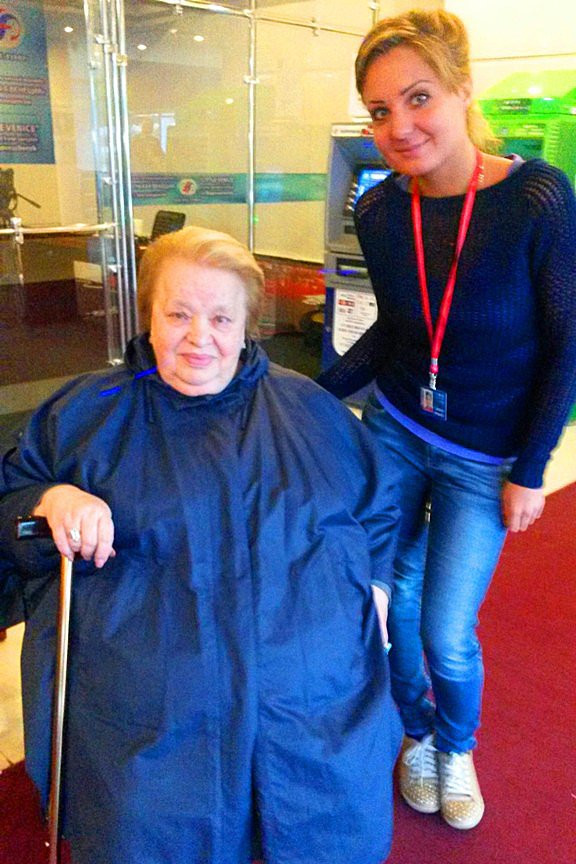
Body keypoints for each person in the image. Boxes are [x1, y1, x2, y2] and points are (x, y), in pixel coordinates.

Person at [0, 226, 402, 864]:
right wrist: (51, 501)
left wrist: (376, 589)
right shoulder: (85, 414)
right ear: (149, 316)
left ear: (247, 327)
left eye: (220, 318)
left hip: (302, 694)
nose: (198, 338)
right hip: (151, 704)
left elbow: (380, 507)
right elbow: (12, 509)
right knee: (152, 829)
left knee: (319, 822)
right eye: (178, 314)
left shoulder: (309, 409)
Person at [317, 9, 576, 832]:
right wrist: (310, 396)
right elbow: (396, 332)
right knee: (383, 602)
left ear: (463, 90)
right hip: (396, 427)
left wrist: (531, 468)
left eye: (418, 97)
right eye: (379, 110)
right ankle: (418, 733)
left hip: (484, 455)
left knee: (445, 629)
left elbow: (567, 344)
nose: (399, 125)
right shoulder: (381, 211)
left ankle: (458, 745)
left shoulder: (537, 199)